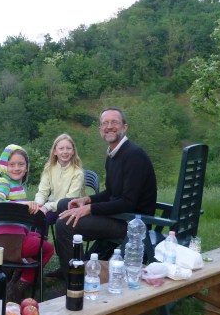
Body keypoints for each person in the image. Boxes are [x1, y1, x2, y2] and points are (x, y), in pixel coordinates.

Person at [52, 107, 157, 277]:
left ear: (124, 127)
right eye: (105, 123)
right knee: (66, 204)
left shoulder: (134, 155)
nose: (109, 126)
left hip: (132, 223)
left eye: (114, 122)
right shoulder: (113, 154)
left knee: (64, 225)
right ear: (100, 129)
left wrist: (89, 209)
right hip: (119, 215)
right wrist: (86, 200)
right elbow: (111, 193)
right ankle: (70, 263)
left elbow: (128, 202)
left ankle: (74, 279)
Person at [0, 143, 55, 303]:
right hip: (8, 243)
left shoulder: (19, 186)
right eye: (12, 164)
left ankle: (17, 275)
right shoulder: (2, 182)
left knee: (39, 237)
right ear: (4, 166)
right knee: (48, 249)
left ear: (27, 167)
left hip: (14, 237)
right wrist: (25, 204)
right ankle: (21, 285)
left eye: (21, 164)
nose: (16, 168)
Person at [34, 133, 86, 226]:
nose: (65, 151)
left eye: (68, 148)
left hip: (69, 209)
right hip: (52, 207)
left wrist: (47, 207)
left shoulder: (78, 173)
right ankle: (35, 236)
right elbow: (42, 191)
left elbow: (69, 200)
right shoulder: (49, 168)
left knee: (57, 222)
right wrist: (38, 204)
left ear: (73, 151)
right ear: (55, 151)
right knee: (37, 216)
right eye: (61, 148)